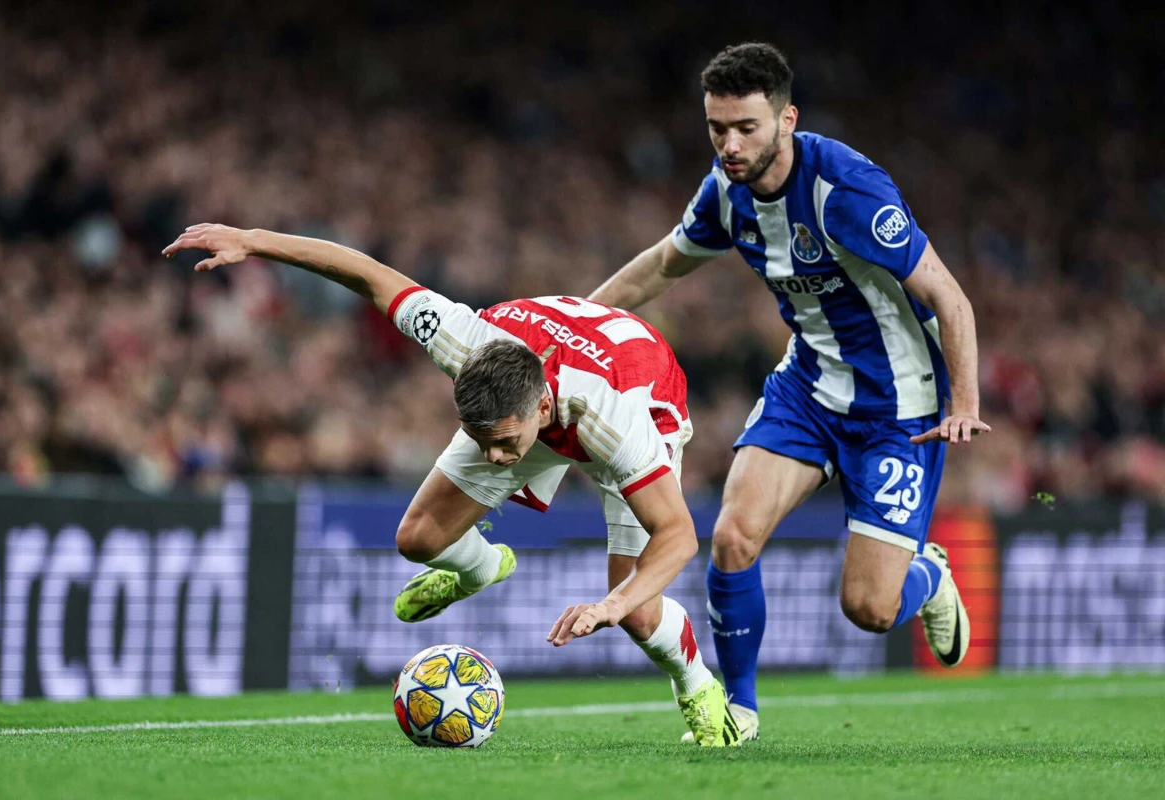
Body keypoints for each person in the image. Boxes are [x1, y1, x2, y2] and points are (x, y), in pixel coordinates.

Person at [164, 223, 741, 747]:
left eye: (503, 445)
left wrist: (610, 604)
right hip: (543, 371)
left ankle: (701, 694)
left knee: (641, 613)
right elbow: (365, 273)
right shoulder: (462, 339)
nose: (492, 458)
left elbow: (679, 535)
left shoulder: (614, 421)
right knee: (417, 538)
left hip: (641, 383)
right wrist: (252, 241)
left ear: (542, 408)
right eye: (480, 438)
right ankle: (483, 567)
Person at [588, 42, 989, 741]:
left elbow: (949, 299)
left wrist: (965, 406)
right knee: (732, 539)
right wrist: (574, 327)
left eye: (745, 127)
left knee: (868, 608)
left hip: (899, 408)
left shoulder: (849, 190)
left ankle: (928, 573)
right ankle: (738, 710)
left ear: (787, 119)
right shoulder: (723, 192)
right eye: (717, 129)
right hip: (806, 387)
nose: (730, 144)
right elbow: (658, 267)